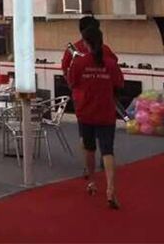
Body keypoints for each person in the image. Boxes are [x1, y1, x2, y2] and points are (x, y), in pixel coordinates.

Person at [67, 25, 124, 209]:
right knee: (107, 150)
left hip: (86, 112)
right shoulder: (110, 64)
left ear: (85, 43)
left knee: (89, 148)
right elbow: (119, 84)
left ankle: (92, 181)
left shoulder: (79, 63)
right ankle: (111, 188)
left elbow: (71, 83)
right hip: (106, 112)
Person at [61, 16, 118, 178]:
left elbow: (65, 70)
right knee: (106, 140)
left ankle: (88, 168)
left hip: (83, 101)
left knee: (85, 137)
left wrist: (75, 86)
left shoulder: (73, 50)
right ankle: (105, 166)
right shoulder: (105, 49)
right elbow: (115, 71)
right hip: (104, 100)